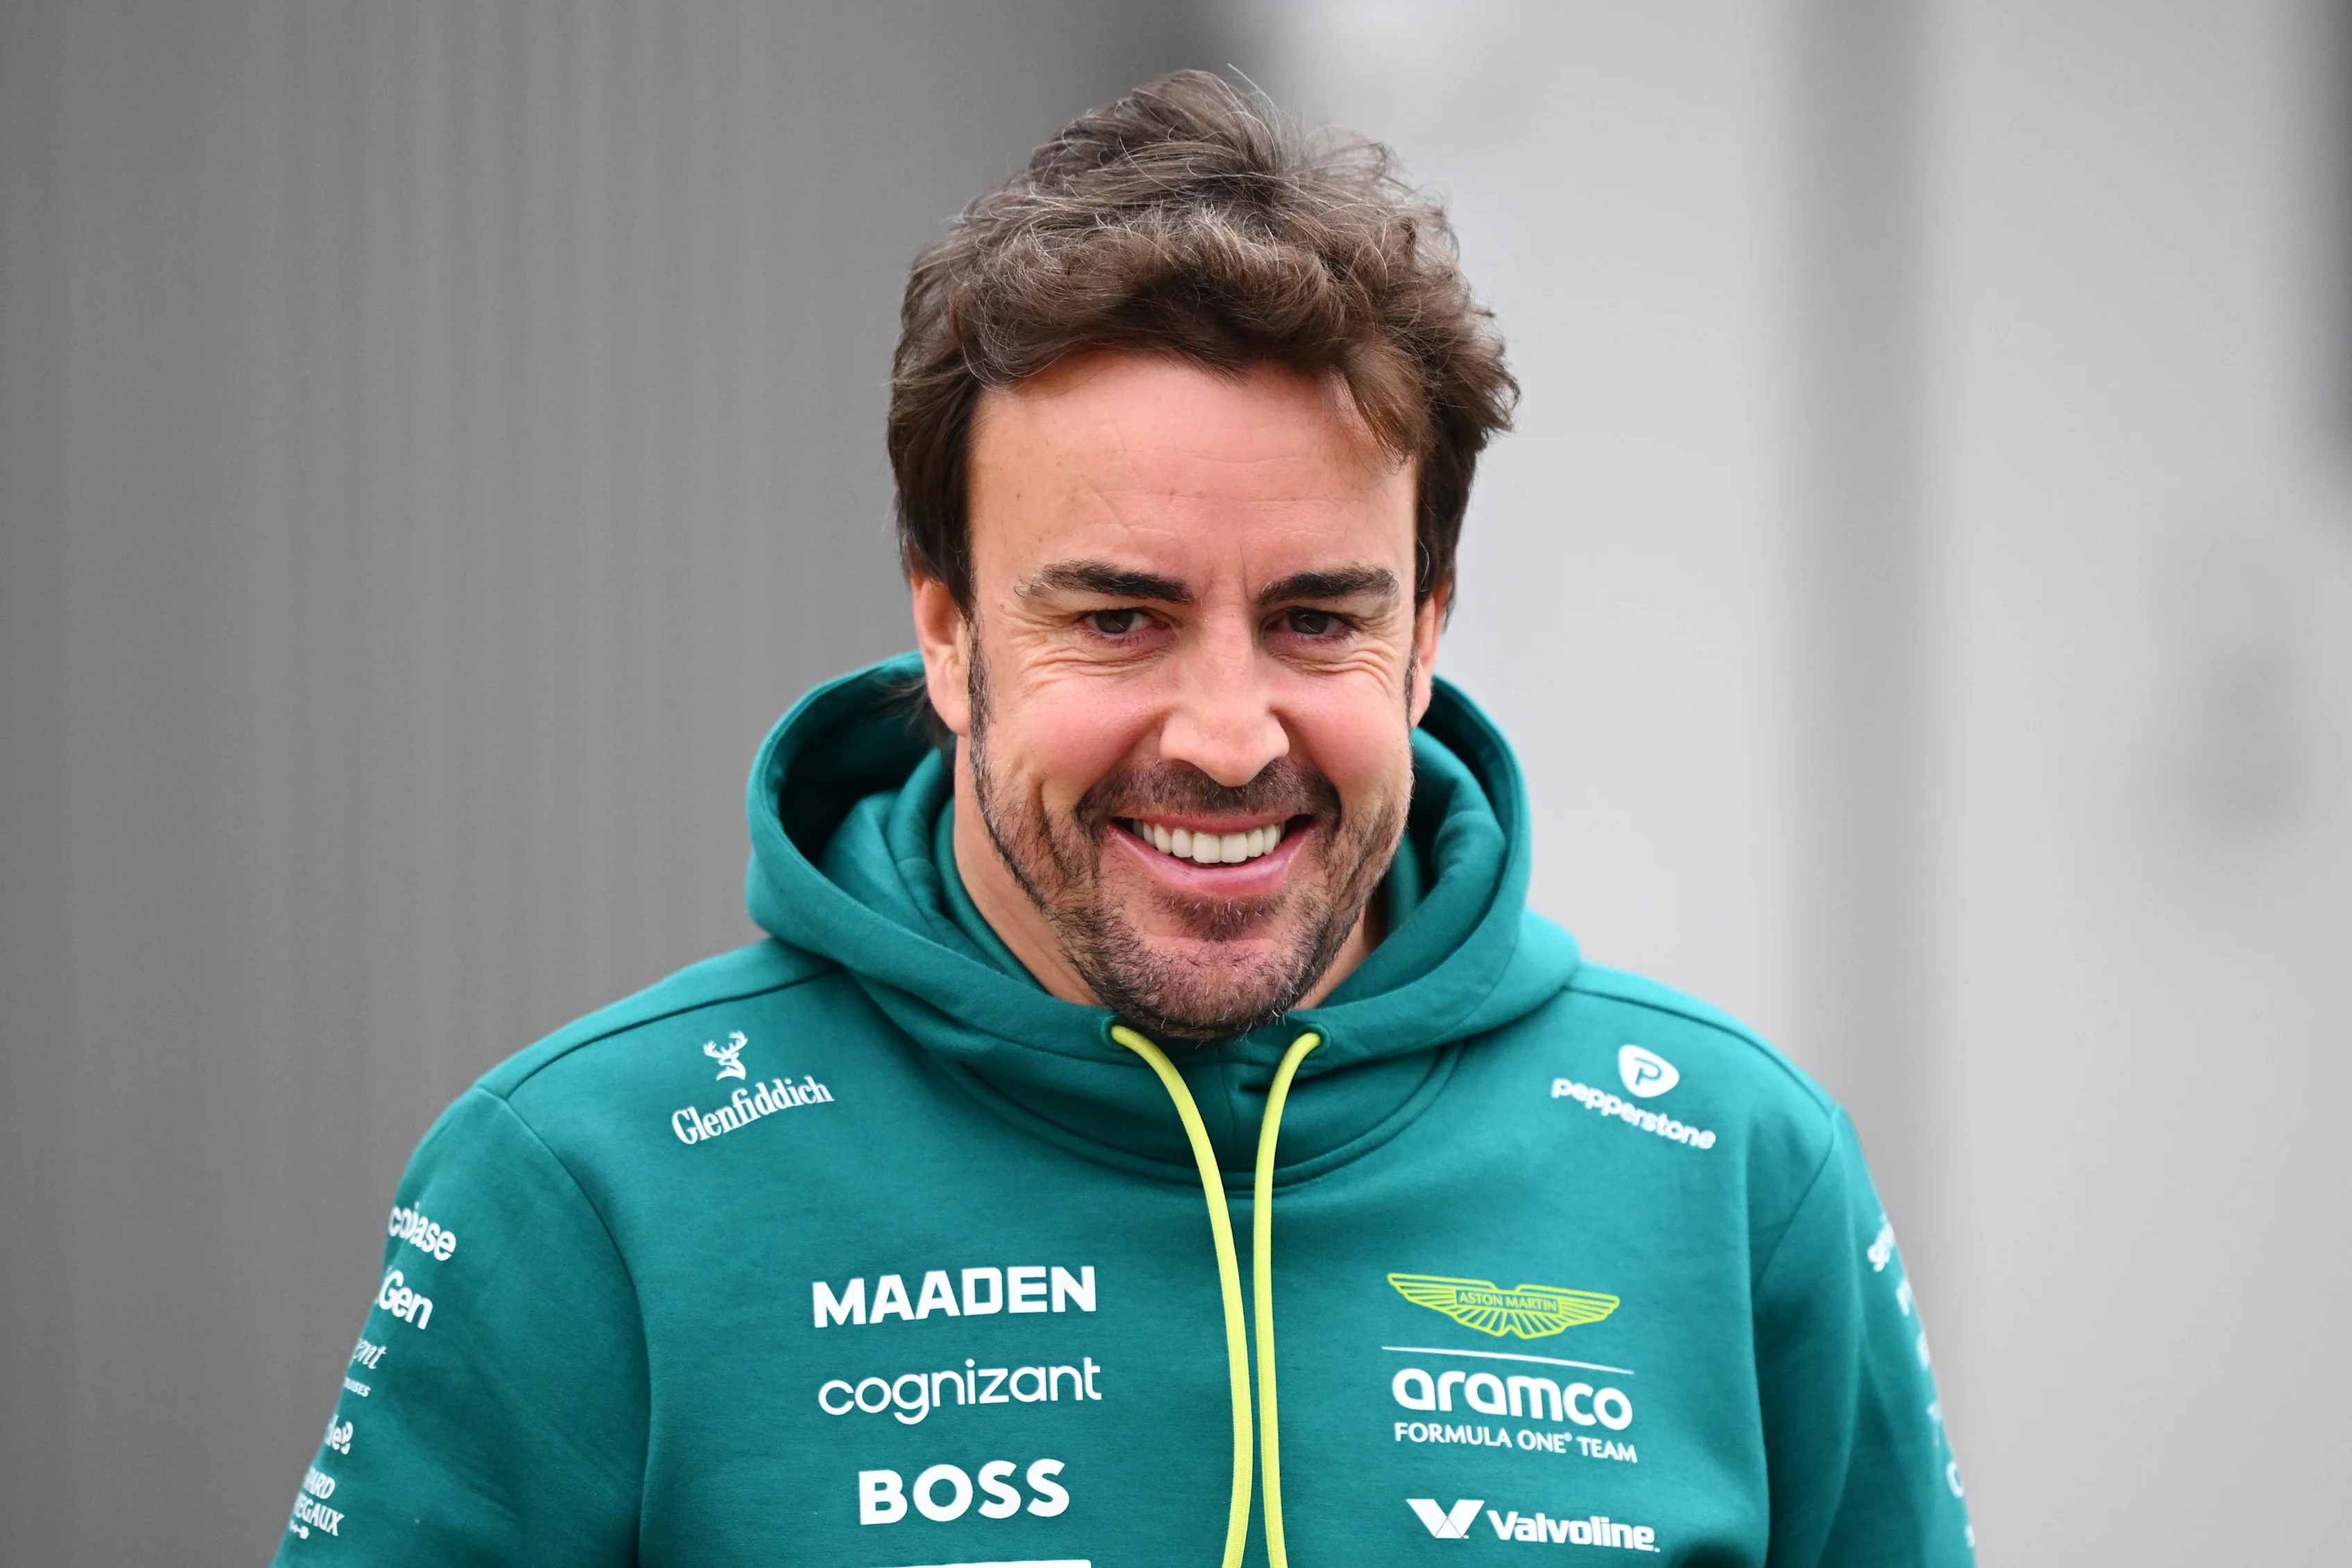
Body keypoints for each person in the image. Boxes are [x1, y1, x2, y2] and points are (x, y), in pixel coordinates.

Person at [273, 71, 1971, 1567]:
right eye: (1115, 619)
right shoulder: (588, 1188)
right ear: (946, 634)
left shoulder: (1734, 1171)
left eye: (1317, 618)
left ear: (1428, 631)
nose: (1229, 741)